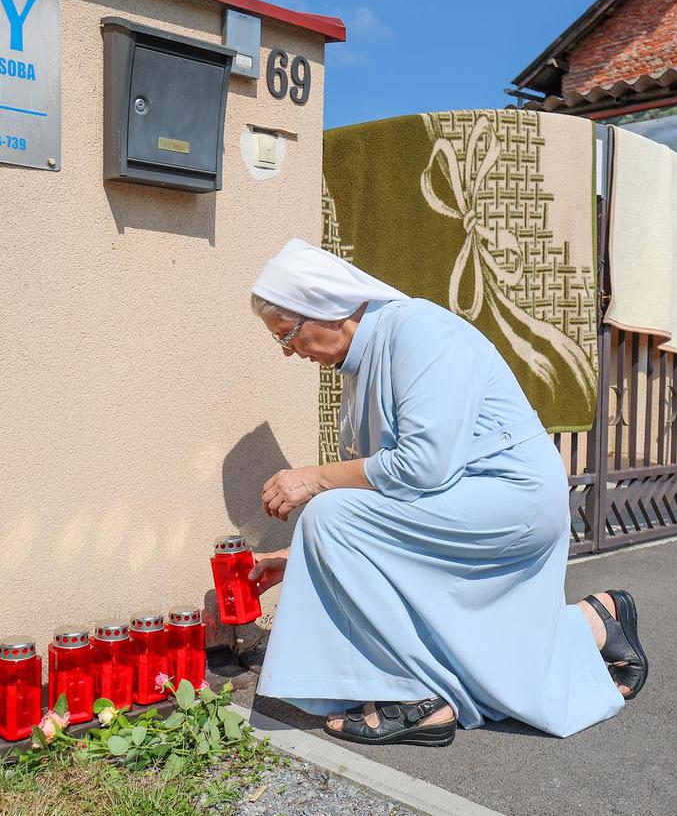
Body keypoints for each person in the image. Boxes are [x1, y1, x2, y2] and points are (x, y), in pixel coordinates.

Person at [245, 238, 648, 746]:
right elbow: (380, 495)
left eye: (288, 336)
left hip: (512, 498)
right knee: (334, 526)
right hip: (467, 499)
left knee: (327, 515)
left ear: (324, 309)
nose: (289, 353)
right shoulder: (361, 364)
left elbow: (422, 466)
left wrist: (315, 479)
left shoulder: (417, 328)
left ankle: (415, 697)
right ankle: (596, 621)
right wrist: (302, 553)